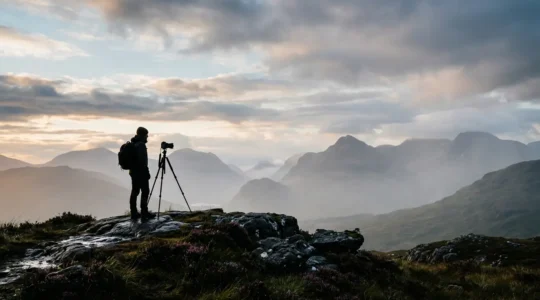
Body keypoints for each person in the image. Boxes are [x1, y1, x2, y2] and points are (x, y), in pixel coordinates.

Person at [129, 127, 155, 221]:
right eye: (146, 135)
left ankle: (133, 212)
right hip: (141, 172)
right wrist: (147, 173)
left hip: (133, 172)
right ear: (142, 135)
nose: (147, 137)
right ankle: (144, 212)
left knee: (135, 191)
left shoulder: (133, 143)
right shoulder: (141, 145)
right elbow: (142, 161)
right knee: (145, 191)